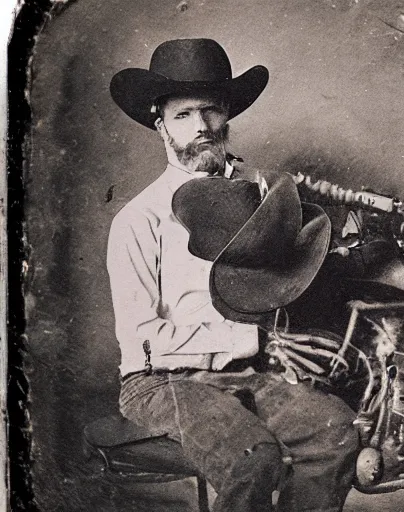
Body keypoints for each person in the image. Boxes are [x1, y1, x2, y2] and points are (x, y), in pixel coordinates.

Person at [107, 38, 362, 512]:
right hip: (162, 382)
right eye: (184, 115)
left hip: (248, 372)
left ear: (227, 115)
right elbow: (143, 341)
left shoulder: (261, 194)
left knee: (340, 435)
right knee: (253, 460)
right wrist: (253, 340)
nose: (201, 127)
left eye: (211, 111)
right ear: (160, 125)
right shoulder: (139, 220)